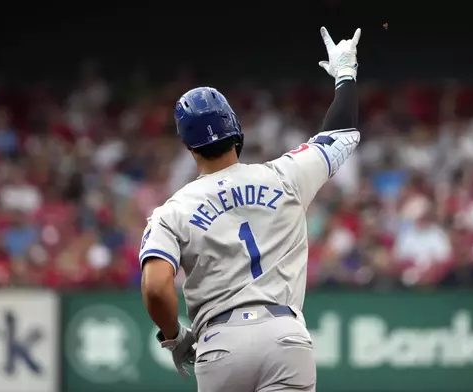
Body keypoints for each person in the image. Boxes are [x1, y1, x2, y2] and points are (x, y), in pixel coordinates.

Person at [139, 26, 361, 392]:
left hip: (220, 344)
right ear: (235, 129)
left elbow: (155, 287)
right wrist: (346, 73)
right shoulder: (285, 175)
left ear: (189, 147)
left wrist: (174, 336)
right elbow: (343, 134)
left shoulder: (172, 211)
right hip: (284, 335)